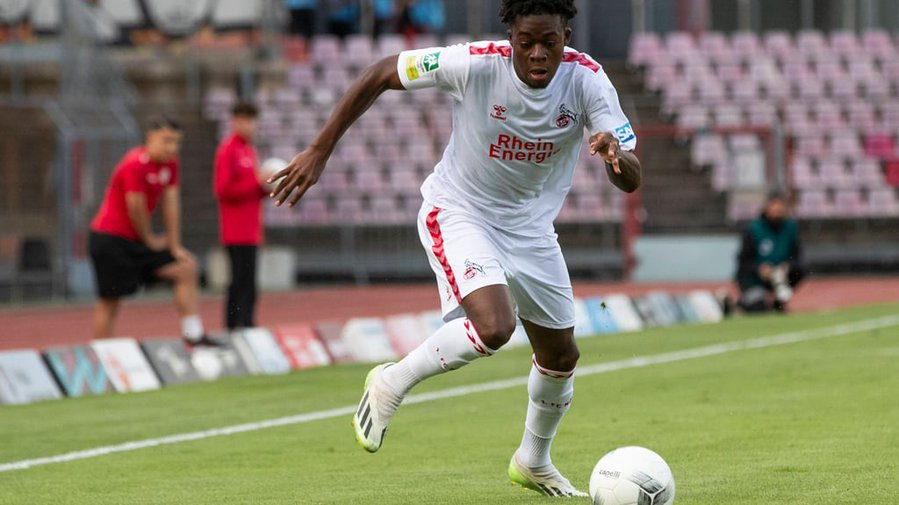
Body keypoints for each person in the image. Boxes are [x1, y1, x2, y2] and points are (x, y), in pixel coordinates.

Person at [270, 0, 641, 497]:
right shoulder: (472, 63)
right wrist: (319, 149)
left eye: (548, 43)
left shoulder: (587, 81)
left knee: (561, 354)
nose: (536, 54)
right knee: (495, 326)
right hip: (460, 211)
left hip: (531, 230)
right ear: (509, 37)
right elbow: (382, 72)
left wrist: (617, 159)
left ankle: (532, 460)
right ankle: (391, 382)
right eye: (525, 42)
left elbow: (631, 176)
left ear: (565, 36)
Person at [89, 117, 218, 346]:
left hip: (139, 240)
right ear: (150, 138)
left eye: (176, 142)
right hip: (111, 239)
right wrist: (150, 240)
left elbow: (171, 204)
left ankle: (194, 335)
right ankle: (102, 354)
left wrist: (175, 245)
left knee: (186, 267)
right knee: (110, 302)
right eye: (166, 141)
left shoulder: (171, 163)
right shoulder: (134, 163)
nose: (171, 147)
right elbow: (135, 208)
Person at [214, 102, 268, 330]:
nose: (251, 126)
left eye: (253, 121)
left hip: (251, 229)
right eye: (246, 120)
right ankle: (234, 327)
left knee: (250, 283)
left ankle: (248, 324)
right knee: (238, 283)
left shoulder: (249, 150)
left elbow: (254, 191)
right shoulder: (229, 150)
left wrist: (266, 186)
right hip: (236, 231)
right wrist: (257, 182)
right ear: (235, 121)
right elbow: (223, 190)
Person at [735, 191, 805, 313]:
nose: (777, 212)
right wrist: (759, 269)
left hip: (779, 277)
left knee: (800, 270)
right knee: (758, 308)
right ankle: (742, 303)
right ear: (767, 209)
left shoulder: (791, 228)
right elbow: (743, 262)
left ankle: (780, 300)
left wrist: (787, 267)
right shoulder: (754, 230)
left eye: (780, 209)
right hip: (755, 279)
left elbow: (797, 257)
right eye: (774, 209)